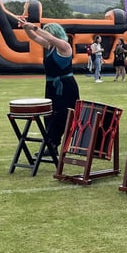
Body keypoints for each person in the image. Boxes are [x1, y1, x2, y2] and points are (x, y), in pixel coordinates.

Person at [21, 20, 80, 153]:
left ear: (54, 33)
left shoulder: (64, 46)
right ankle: (51, 144)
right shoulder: (50, 46)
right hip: (52, 86)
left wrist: (34, 27)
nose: (45, 35)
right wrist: (26, 27)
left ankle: (55, 142)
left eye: (47, 33)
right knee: (49, 114)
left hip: (65, 87)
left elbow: (49, 38)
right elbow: (34, 37)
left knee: (62, 114)